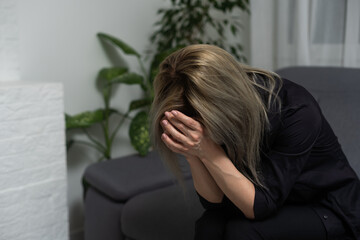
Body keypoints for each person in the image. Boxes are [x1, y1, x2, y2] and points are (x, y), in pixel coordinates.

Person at [149, 44, 360, 240]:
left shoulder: (296, 110)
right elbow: (214, 202)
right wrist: (193, 153)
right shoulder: (209, 111)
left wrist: (206, 149)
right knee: (208, 226)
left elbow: (260, 206)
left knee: (242, 233)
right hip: (274, 199)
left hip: (328, 206)